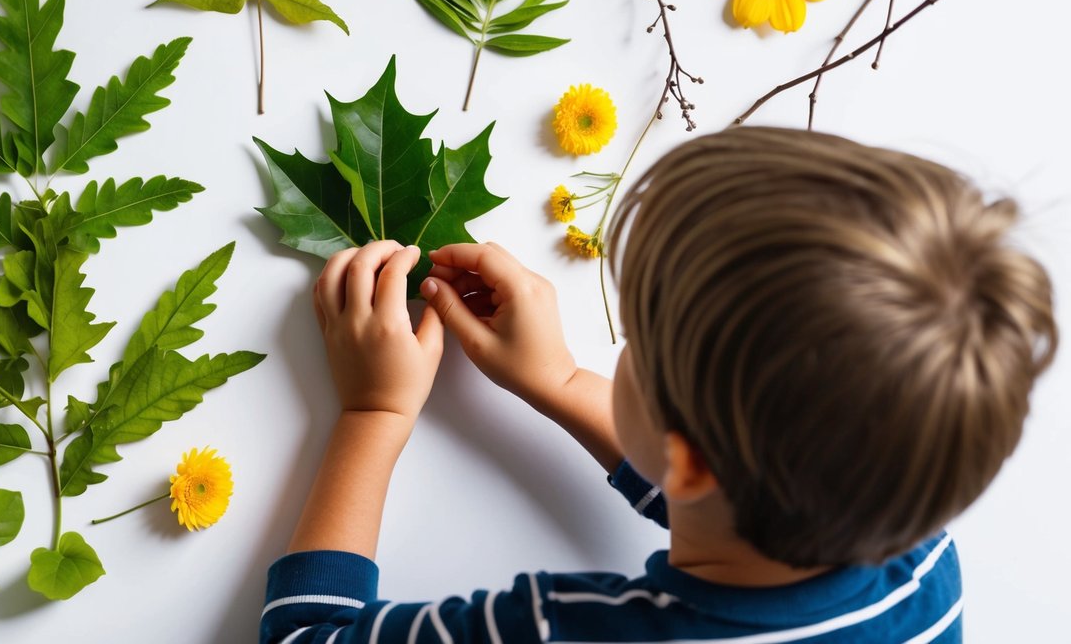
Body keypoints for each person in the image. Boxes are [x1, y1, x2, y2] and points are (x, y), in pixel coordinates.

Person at [259, 126, 1058, 643]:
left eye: (639, 337)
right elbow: (725, 503)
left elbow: (305, 639)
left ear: (689, 460)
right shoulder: (918, 562)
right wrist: (560, 380)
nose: (625, 347)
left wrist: (375, 411)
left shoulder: (565, 632)